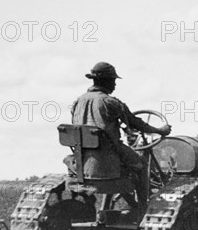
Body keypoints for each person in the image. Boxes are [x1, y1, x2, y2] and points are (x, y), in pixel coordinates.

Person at [70, 61, 171, 208]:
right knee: (142, 164)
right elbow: (136, 123)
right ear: (107, 81)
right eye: (114, 81)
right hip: (109, 154)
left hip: (83, 157)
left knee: (122, 157)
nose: (115, 85)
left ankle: (107, 209)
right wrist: (160, 130)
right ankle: (144, 208)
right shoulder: (110, 102)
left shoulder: (77, 102)